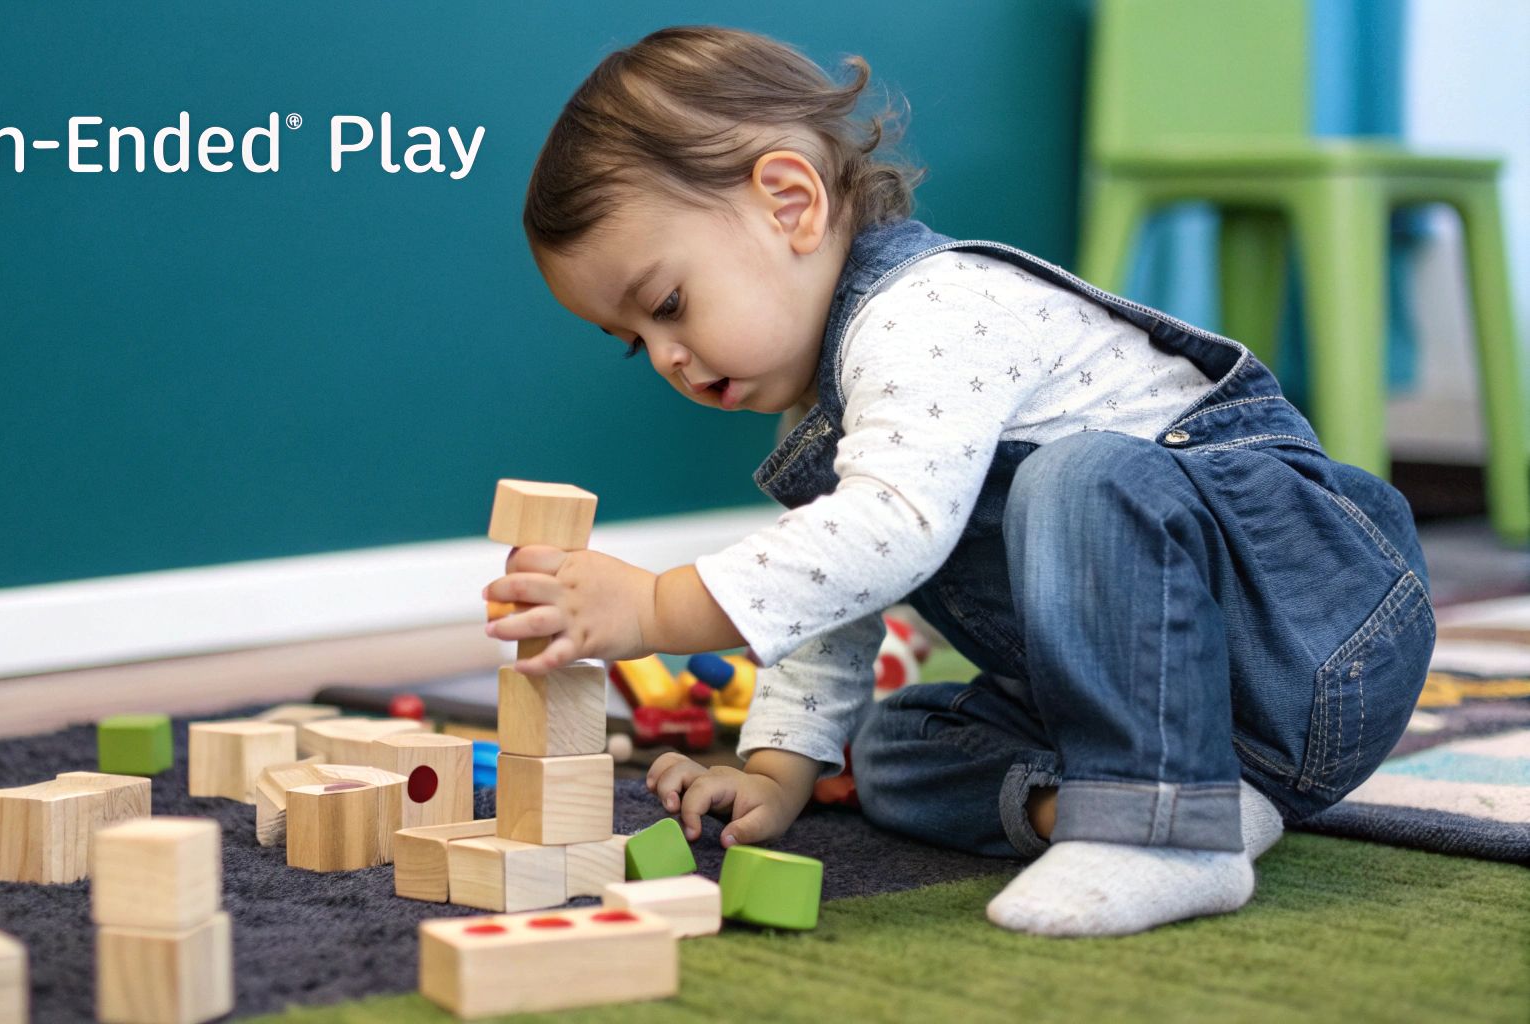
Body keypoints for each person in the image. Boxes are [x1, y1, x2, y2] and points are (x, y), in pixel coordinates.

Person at [482, 25, 1435, 937]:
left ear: (790, 203)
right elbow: (838, 596)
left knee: (1081, 476)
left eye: (668, 305)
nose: (669, 360)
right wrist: (777, 770)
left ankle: (1155, 830)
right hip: (1192, 716)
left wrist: (656, 606)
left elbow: (890, 529)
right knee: (894, 753)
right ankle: (1190, 805)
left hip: (1306, 635)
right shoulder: (824, 410)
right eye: (634, 344)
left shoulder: (926, 312)